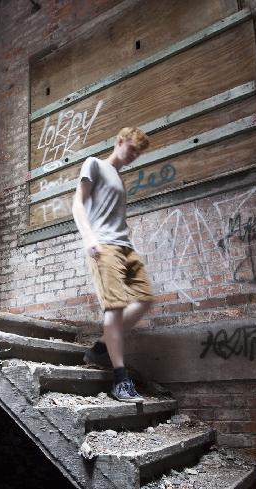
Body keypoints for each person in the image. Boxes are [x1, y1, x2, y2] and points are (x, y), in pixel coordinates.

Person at [72, 126, 153, 402]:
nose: (134, 156)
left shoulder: (119, 179)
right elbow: (78, 204)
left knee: (144, 300)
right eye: (132, 149)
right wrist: (88, 237)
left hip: (125, 246)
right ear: (119, 141)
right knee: (115, 307)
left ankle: (101, 348)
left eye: (138, 153)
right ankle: (120, 379)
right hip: (103, 246)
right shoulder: (94, 164)